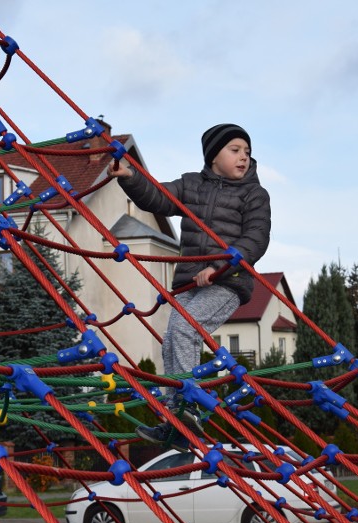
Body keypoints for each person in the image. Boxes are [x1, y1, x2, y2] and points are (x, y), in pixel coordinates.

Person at [108, 123, 271, 451]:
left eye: (247, 152)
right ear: (214, 157)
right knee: (171, 341)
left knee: (184, 328)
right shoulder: (192, 184)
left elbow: (257, 237)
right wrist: (129, 177)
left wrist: (219, 266)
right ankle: (175, 421)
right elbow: (159, 197)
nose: (244, 157)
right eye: (235, 150)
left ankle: (188, 407)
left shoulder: (254, 194)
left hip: (229, 282)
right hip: (190, 284)